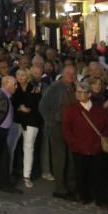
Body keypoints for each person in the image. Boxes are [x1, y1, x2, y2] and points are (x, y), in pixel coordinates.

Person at [62, 81, 108, 209]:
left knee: (99, 175)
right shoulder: (72, 109)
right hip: (79, 148)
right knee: (81, 174)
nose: (78, 94)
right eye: (77, 92)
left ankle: (101, 200)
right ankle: (84, 196)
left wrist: (104, 136)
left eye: (81, 92)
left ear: (89, 94)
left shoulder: (98, 109)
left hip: (96, 148)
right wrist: (73, 143)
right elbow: (66, 128)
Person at [40, 65, 78, 199]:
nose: (72, 76)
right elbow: (43, 106)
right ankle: (60, 188)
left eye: (74, 74)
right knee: (60, 158)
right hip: (58, 126)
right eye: (69, 74)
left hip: (72, 127)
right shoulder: (55, 88)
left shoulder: (75, 87)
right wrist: (51, 120)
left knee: (72, 157)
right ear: (63, 74)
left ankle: (71, 185)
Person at [14, 68, 43, 188]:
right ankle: (8, 171)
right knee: (11, 146)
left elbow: (35, 105)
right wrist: (19, 108)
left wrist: (23, 107)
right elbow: (11, 102)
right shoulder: (14, 88)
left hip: (32, 121)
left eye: (23, 75)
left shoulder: (35, 89)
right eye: (18, 75)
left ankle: (27, 175)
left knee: (28, 147)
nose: (21, 77)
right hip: (16, 121)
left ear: (28, 76)